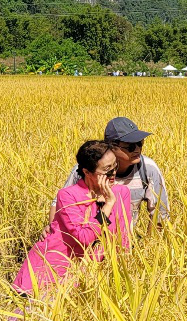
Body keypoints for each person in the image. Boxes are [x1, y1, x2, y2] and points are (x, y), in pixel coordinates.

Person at [14, 140, 133, 296]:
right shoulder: (68, 195)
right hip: (50, 272)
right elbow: (83, 237)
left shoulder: (122, 193)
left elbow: (122, 238)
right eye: (107, 170)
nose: (113, 174)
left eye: (115, 166)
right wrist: (108, 205)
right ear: (87, 172)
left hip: (90, 276)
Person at [56, 117, 170, 225]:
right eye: (130, 146)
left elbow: (160, 214)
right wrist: (52, 230)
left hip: (123, 238)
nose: (137, 149)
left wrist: (148, 245)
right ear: (112, 147)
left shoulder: (148, 168)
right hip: (83, 235)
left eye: (140, 143)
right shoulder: (87, 168)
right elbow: (60, 204)